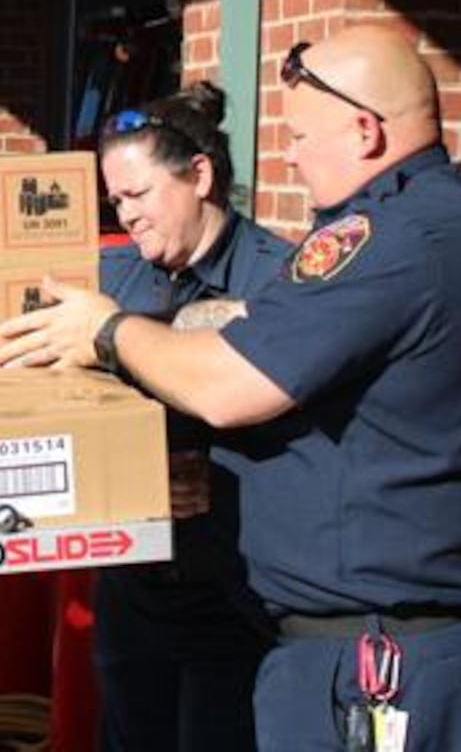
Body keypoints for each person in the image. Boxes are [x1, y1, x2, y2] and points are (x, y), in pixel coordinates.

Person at [0, 24, 461, 752]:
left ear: (365, 131)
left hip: (376, 657)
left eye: (302, 135)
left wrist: (110, 331)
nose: (290, 155)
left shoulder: (396, 239)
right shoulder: (413, 227)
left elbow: (228, 384)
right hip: (336, 643)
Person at [91, 82, 287, 752]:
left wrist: (218, 474)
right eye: (115, 199)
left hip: (235, 592)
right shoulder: (112, 278)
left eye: (138, 195)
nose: (126, 215)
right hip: (131, 589)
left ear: (199, 175)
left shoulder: (279, 278)